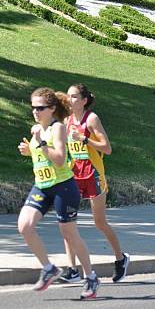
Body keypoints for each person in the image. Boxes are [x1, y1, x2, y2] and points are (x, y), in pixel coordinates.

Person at [17, 87, 100, 299]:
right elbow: (41, 156)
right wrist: (30, 151)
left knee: (69, 234)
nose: (35, 111)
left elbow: (60, 159)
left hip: (64, 186)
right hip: (42, 185)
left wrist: (41, 143)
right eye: (33, 107)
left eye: (40, 108)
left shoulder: (57, 129)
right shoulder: (37, 128)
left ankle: (90, 276)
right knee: (24, 226)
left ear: (52, 109)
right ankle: (49, 268)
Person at [59, 83, 130, 284]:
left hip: (93, 174)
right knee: (67, 222)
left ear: (83, 100)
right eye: (68, 96)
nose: (70, 99)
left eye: (74, 97)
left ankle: (120, 258)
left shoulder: (91, 119)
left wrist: (84, 139)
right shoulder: (66, 120)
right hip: (74, 174)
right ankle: (72, 269)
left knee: (99, 222)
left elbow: (107, 148)